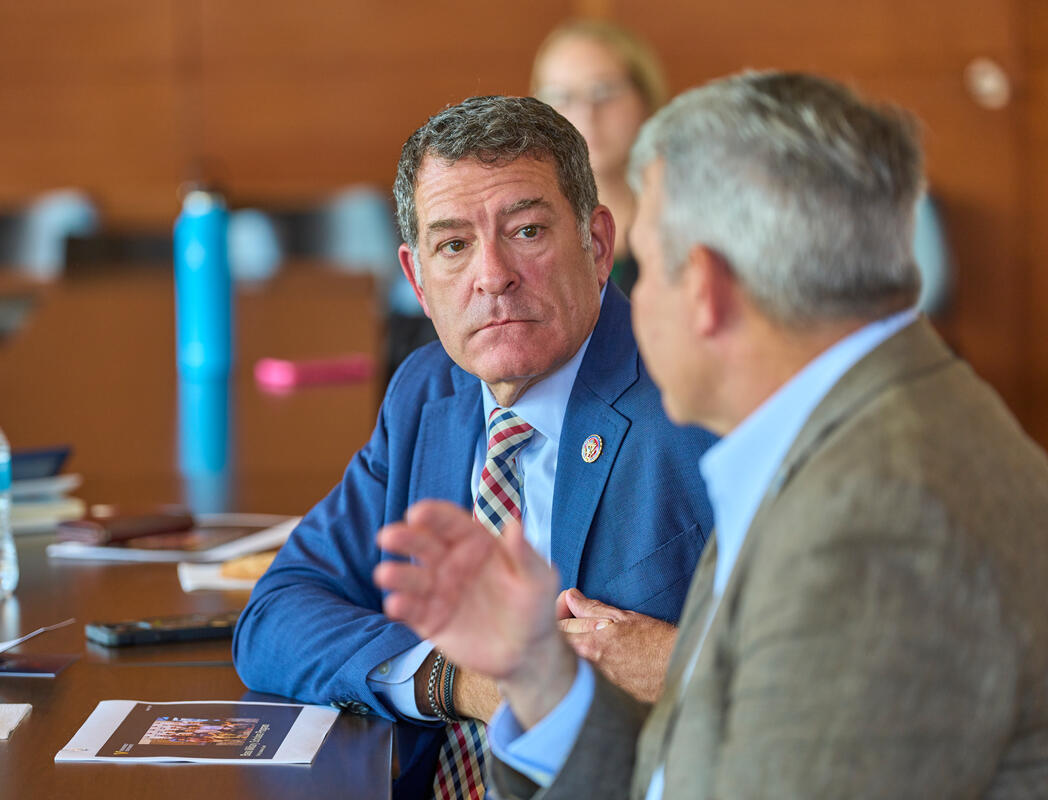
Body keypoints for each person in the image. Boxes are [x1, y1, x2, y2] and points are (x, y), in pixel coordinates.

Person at [375, 71, 1048, 798]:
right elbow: (698, 772)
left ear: (706, 287)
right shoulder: (835, 440)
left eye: (646, 265)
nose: (627, 304)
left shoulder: (877, 515)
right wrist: (543, 678)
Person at [234, 95, 716, 799]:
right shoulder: (427, 394)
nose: (492, 274)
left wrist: (679, 659)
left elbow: (822, 663)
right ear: (418, 281)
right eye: (454, 245)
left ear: (599, 243)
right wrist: (457, 681)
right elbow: (276, 614)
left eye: (525, 231)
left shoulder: (693, 395)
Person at [531, 19, 666, 296]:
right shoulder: (525, 225)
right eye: (561, 96)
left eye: (603, 91)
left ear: (646, 98)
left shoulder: (690, 220)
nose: (586, 114)